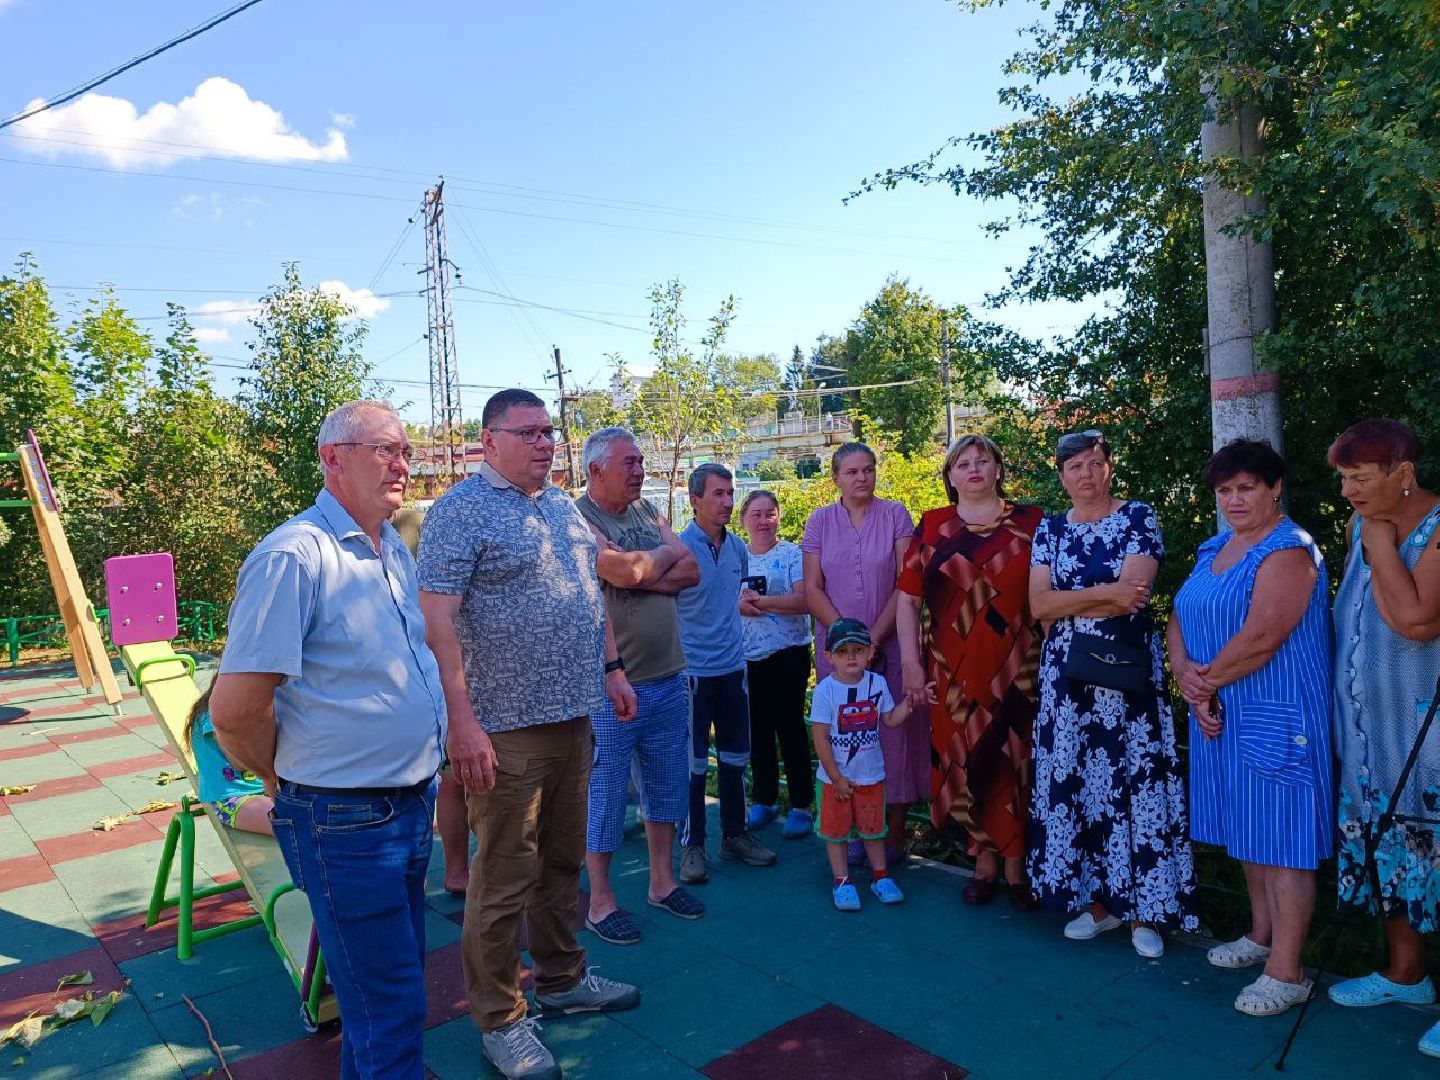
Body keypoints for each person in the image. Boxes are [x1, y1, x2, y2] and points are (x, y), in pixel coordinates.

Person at [209, 399, 447, 1080]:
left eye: (405, 449)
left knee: (383, 998)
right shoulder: (294, 557)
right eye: (383, 449)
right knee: (389, 1004)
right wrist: (279, 775)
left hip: (401, 805)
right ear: (332, 458)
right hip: (345, 817)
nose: (401, 463)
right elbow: (234, 711)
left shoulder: (387, 546)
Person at [418, 390, 639, 1080]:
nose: (546, 443)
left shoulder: (560, 509)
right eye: (529, 433)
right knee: (504, 874)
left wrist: (612, 667)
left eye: (550, 432)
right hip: (502, 727)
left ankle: (564, 978)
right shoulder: (459, 512)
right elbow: (437, 621)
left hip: (574, 713)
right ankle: (501, 1018)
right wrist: (461, 720)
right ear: (489, 441)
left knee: (561, 862)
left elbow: (588, 593)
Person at [1167, 439, 1334, 1017]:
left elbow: (1265, 635)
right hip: (1220, 713)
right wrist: (1186, 673)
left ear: (1275, 487)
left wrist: (1201, 684)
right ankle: (1258, 934)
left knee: (1284, 840)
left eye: (1246, 488)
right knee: (1248, 827)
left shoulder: (1290, 550)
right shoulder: (1216, 546)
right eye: (1225, 490)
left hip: (1277, 716)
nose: (1234, 499)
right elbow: (1178, 617)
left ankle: (1287, 971)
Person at [1027, 428, 1198, 959]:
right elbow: (1038, 607)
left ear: (1109, 467)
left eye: (1093, 463)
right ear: (1062, 476)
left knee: (1134, 783)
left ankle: (1145, 911)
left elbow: (1135, 599)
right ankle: (1097, 906)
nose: (1085, 473)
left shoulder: (1138, 517)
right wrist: (1104, 592)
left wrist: (1070, 600)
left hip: (1125, 677)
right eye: (1073, 466)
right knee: (1079, 782)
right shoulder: (1051, 528)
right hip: (1068, 681)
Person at [1323, 420, 1440, 1059]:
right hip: (1368, 733)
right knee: (1383, 847)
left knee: (1436, 847)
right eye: (1344, 478)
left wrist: (1381, 542)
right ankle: (1407, 977)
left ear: (1403, 472)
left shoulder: (1434, 526)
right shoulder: (1357, 526)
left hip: (1428, 734)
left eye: (1360, 479)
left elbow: (1418, 620)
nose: (1347, 492)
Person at [897, 434, 1043, 908]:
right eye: (964, 463)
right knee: (967, 760)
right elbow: (908, 599)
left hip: (1020, 672)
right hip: (951, 674)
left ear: (999, 468)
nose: (975, 469)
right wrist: (911, 667)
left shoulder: (1032, 523)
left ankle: (1019, 866)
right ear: (950, 476)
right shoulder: (934, 526)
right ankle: (982, 861)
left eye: (983, 460)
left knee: (1016, 763)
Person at [575, 426, 703, 946]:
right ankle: (601, 900)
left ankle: (661, 881)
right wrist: (640, 566)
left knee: (667, 782)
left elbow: (689, 568)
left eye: (640, 460)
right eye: (627, 462)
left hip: (668, 674)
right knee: (605, 792)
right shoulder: (577, 520)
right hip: (611, 684)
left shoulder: (648, 513)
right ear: (595, 470)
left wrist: (639, 568)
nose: (639, 469)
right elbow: (626, 571)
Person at [802, 442, 921, 864]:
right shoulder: (819, 521)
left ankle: (895, 830)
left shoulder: (895, 515)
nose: (862, 478)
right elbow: (812, 587)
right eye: (852, 472)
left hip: (891, 640)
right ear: (835, 477)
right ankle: (849, 826)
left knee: (895, 735)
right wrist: (848, 641)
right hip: (838, 655)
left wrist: (872, 640)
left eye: (868, 470)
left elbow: (908, 581)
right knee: (844, 734)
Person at [676, 462, 778, 884]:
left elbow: (728, 601)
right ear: (695, 500)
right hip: (692, 675)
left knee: (737, 757)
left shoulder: (736, 547)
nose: (727, 501)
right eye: (717, 494)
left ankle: (734, 836)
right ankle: (692, 846)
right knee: (694, 766)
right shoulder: (679, 549)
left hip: (734, 670)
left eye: (730, 493)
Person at [812, 618, 924, 910]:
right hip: (834, 780)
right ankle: (842, 881)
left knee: (874, 829)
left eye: (858, 649)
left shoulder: (878, 683)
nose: (851, 656)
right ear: (829, 657)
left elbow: (890, 719)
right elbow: (821, 737)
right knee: (836, 833)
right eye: (843, 651)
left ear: (869, 652)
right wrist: (836, 777)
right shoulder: (825, 691)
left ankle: (880, 875)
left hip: (870, 776)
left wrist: (909, 704)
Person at [737, 488, 815, 839]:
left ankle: (802, 804)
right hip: (745, 658)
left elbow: (806, 600)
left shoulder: (792, 554)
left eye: (770, 513)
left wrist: (764, 602)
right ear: (743, 520)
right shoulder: (736, 554)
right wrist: (737, 606)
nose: (764, 520)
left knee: (791, 729)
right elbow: (719, 599)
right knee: (757, 731)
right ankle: (764, 799)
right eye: (756, 514)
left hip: (787, 654)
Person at [185, 678, 273, 835]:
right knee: (293, 822)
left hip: (266, 790)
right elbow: (240, 762)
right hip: (234, 798)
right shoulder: (216, 716)